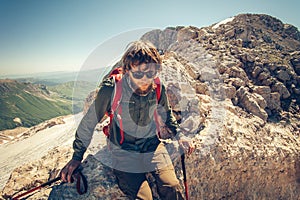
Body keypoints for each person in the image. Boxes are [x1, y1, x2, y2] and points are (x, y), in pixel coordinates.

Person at [60, 40, 194, 199]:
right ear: (127, 70)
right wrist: (77, 157)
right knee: (143, 198)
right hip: (123, 151)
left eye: (150, 73)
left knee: (171, 187)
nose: (144, 79)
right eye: (138, 73)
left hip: (151, 145)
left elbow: (166, 112)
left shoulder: (158, 87)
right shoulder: (112, 89)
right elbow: (89, 123)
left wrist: (179, 135)